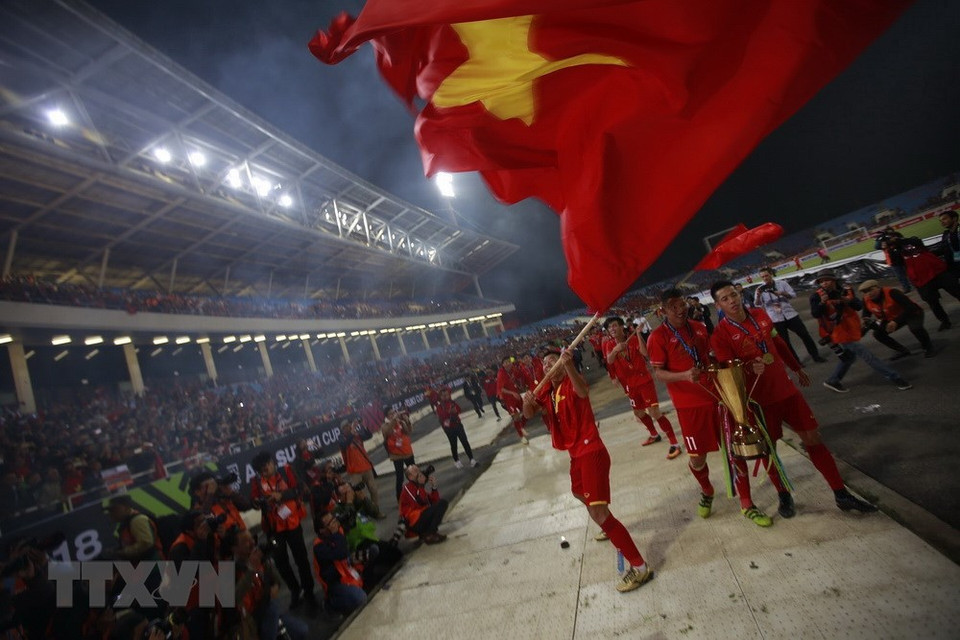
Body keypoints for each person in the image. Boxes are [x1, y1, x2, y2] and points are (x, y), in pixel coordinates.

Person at [709, 280, 878, 516]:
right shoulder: (720, 335)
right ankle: (783, 494)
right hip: (760, 401)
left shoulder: (760, 314)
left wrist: (796, 367)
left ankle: (841, 493)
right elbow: (728, 372)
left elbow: (777, 342)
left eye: (733, 295)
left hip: (786, 392)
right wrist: (748, 367)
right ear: (718, 304)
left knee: (813, 438)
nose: (732, 301)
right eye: (725, 299)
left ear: (739, 293)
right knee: (769, 450)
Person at [521, 347, 654, 593]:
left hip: (590, 451)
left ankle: (640, 567)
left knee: (600, 513)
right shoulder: (548, 390)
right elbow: (527, 414)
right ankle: (608, 523)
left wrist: (569, 365)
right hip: (575, 455)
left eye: (553, 361)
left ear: (564, 362)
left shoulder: (573, 381)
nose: (549, 366)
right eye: (545, 364)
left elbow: (582, 391)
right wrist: (527, 403)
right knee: (579, 493)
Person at [648, 288, 774, 528]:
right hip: (690, 406)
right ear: (663, 310)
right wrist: (684, 375)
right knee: (697, 458)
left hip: (717, 396)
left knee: (736, 447)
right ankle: (707, 490)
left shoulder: (699, 327)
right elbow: (658, 372)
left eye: (682, 303)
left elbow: (711, 357)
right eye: (673, 305)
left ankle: (747, 504)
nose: (680, 308)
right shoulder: (658, 336)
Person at [810, 271, 912, 393]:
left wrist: (847, 300)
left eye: (826, 280)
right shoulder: (816, 296)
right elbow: (815, 314)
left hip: (851, 327)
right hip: (837, 331)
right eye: (821, 281)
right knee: (867, 355)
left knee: (849, 358)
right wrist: (822, 303)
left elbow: (858, 306)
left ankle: (833, 380)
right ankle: (896, 378)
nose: (824, 283)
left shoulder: (845, 290)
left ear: (834, 280)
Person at [603, 316, 681, 459]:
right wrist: (615, 350)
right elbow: (609, 360)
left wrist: (638, 333)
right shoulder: (609, 345)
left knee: (654, 412)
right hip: (629, 384)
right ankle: (654, 434)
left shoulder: (632, 339)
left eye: (614, 326)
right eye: (609, 327)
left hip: (644, 381)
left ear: (622, 327)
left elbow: (645, 353)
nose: (612, 329)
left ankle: (675, 443)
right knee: (638, 413)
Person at [249, 451, 317, 610]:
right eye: (261, 468)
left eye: (267, 465)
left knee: (301, 559)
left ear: (273, 463)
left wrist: (282, 495)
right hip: (273, 527)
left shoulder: (286, 470)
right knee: (281, 563)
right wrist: (257, 502)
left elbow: (300, 490)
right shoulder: (257, 482)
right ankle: (295, 590)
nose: (265, 469)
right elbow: (252, 501)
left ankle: (309, 592)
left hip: (292, 523)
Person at [887, 234, 960, 331]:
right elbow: (897, 263)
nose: (892, 240)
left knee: (956, 290)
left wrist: (900, 241)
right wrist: (891, 249)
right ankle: (944, 321)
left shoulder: (912, 241)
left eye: (893, 238)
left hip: (937, 272)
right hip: (921, 280)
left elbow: (917, 242)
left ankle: (944, 320)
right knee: (933, 303)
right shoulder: (896, 250)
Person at [754, 267, 826, 363]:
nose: (765, 278)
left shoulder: (782, 284)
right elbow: (757, 304)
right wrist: (758, 296)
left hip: (790, 314)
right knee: (785, 343)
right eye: (762, 277)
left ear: (771, 274)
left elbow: (793, 295)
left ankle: (816, 356)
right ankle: (796, 362)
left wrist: (782, 293)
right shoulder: (759, 289)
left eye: (766, 275)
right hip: (776, 319)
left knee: (805, 335)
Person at [858, 279, 934, 358]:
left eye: (871, 290)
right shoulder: (866, 299)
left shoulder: (892, 292)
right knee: (878, 334)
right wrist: (865, 319)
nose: (869, 294)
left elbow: (911, 307)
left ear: (878, 287)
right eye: (865, 292)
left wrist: (895, 321)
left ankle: (928, 347)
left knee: (915, 328)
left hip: (912, 314)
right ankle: (902, 350)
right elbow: (866, 312)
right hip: (891, 318)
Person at [313, 513, 368, 614]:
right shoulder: (319, 547)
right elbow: (341, 553)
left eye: (334, 519)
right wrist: (336, 534)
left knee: (373, 552)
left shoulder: (337, 533)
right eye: (330, 523)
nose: (335, 523)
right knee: (361, 598)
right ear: (322, 530)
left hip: (348, 571)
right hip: (335, 583)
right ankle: (330, 603)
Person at [338, 418, 382, 518]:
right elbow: (344, 445)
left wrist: (364, 426)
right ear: (342, 429)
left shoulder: (356, 435)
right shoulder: (342, 439)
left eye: (349, 425)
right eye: (345, 427)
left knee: (373, 489)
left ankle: (376, 511)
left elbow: (368, 436)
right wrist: (352, 433)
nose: (348, 428)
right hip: (354, 471)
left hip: (366, 467)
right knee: (358, 494)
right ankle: (363, 514)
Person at [399, 464, 449, 544]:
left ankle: (426, 533)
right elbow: (420, 501)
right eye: (416, 471)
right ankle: (430, 535)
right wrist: (421, 485)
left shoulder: (418, 487)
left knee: (442, 503)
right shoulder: (407, 488)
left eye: (418, 470)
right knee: (441, 504)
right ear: (410, 477)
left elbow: (435, 502)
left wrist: (434, 487)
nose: (419, 473)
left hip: (420, 518)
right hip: (414, 521)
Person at [435, 386, 478, 469]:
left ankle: (472, 459)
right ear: (440, 397)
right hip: (449, 429)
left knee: (465, 442)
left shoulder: (452, 402)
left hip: (458, 425)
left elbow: (459, 410)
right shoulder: (439, 407)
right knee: (454, 445)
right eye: (443, 395)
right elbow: (441, 416)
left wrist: (455, 411)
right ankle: (456, 461)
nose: (445, 397)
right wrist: (449, 412)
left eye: (447, 395)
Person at [497, 354, 533, 444]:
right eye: (505, 362)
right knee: (516, 416)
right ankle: (522, 436)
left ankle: (521, 427)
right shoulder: (501, 374)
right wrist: (512, 393)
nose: (508, 363)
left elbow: (520, 375)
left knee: (526, 412)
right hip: (508, 398)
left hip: (516, 395)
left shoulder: (513, 369)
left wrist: (521, 385)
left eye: (509, 361)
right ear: (503, 365)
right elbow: (501, 389)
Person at [382, 405, 415, 500]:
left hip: (407, 452)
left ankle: (417, 492)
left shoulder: (400, 422)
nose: (393, 415)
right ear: (387, 416)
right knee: (400, 477)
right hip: (397, 455)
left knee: (414, 473)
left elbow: (409, 432)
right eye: (391, 414)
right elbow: (387, 433)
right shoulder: (385, 426)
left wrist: (407, 421)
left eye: (394, 412)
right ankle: (400, 498)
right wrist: (394, 420)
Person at [939, 209, 960, 276]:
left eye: (944, 219)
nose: (942, 222)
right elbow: (943, 249)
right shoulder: (946, 234)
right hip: (955, 269)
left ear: (954, 218)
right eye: (941, 221)